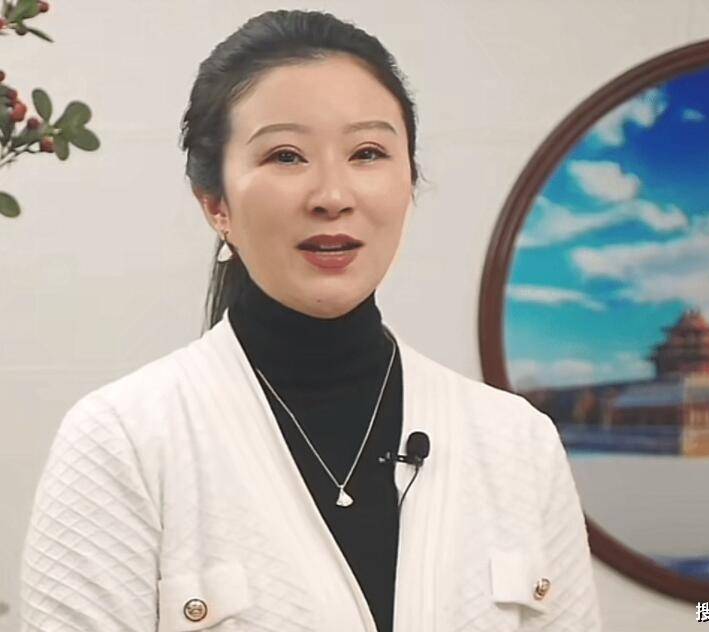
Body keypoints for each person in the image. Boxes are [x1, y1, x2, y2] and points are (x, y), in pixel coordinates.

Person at [19, 9, 601, 632]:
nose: (332, 196)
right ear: (215, 203)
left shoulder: (517, 443)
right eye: (287, 156)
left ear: (409, 180)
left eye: (368, 152)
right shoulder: (124, 441)